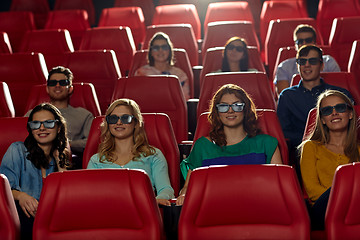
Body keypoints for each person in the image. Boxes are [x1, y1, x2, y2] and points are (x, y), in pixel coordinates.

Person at [177, 84, 282, 205]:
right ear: (217, 112)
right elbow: (188, 187)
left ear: (245, 109)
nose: (230, 110)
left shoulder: (267, 143)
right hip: (213, 209)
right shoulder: (202, 146)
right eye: (223, 106)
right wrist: (184, 195)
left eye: (237, 106)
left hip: (258, 206)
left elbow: (278, 186)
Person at [0, 103, 70, 239]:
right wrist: (21, 196)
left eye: (48, 123)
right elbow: (3, 189)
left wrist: (59, 161)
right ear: (31, 129)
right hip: (23, 218)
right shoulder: (17, 150)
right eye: (36, 124)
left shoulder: (60, 155)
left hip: (53, 220)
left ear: (59, 127)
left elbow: (66, 197)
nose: (41, 128)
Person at [87, 98, 174, 206]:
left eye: (125, 118)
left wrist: (155, 202)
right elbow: (89, 195)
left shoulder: (153, 155)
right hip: (106, 213)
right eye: (113, 118)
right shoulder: (96, 160)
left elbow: (166, 189)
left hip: (143, 211)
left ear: (136, 123)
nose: (118, 122)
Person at [299, 90, 359, 230]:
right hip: (322, 211)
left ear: (350, 114)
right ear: (323, 120)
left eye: (340, 108)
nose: (334, 113)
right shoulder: (310, 147)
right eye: (327, 110)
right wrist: (344, 201)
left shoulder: (359, 150)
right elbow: (313, 191)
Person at [277, 45, 352, 155]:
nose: (307, 65)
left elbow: (352, 124)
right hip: (304, 150)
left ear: (321, 65)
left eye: (312, 61)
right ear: (297, 66)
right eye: (302, 61)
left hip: (341, 147)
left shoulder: (340, 94)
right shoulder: (287, 96)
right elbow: (284, 132)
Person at [25, 66, 94, 169]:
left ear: (70, 88)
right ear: (47, 89)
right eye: (53, 83)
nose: (57, 85)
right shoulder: (33, 114)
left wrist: (63, 144)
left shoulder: (84, 115)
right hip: (35, 160)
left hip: (70, 161)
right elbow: (23, 137)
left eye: (63, 82)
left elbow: (90, 142)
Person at [274, 24, 340, 95]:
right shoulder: (284, 67)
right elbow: (285, 97)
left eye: (308, 40)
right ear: (295, 45)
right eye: (300, 41)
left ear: (315, 42)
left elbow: (337, 90)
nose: (304, 44)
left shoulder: (329, 62)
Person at [135, 32, 190, 100]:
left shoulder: (179, 74)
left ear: (169, 51)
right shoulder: (141, 73)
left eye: (164, 47)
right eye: (156, 48)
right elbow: (137, 97)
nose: (160, 51)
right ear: (151, 52)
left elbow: (184, 99)